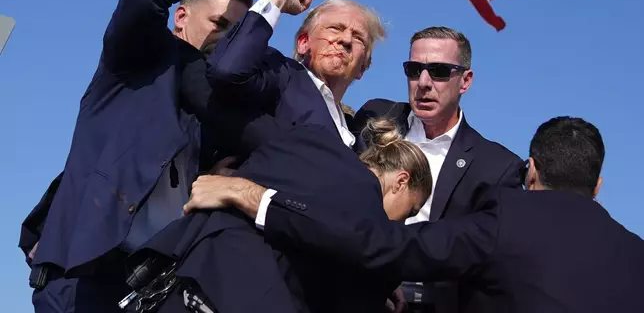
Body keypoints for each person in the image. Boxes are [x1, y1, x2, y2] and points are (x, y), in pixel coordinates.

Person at [24, 0, 285, 313]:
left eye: (237, 32)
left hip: (151, 286)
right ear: (182, 17)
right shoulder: (135, 59)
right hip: (83, 278)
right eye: (219, 23)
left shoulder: (220, 106)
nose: (227, 39)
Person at [189, 116, 644, 313]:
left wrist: (255, 197)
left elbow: (378, 245)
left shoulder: (509, 219)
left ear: (531, 172)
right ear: (598, 186)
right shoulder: (635, 255)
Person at [129, 118, 432, 313]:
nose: (403, 220)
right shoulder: (372, 224)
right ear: (401, 181)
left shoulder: (310, 141)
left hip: (183, 278)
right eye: (411, 209)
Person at [350, 26, 524, 311]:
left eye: (440, 71)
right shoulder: (375, 117)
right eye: (414, 69)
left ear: (465, 80)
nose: (424, 82)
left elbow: (492, 262)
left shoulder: (497, 167)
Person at [206, 0, 386, 153]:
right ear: (303, 43)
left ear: (363, 67)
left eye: (359, 38)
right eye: (335, 28)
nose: (346, 40)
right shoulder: (281, 75)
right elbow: (228, 70)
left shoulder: (356, 137)